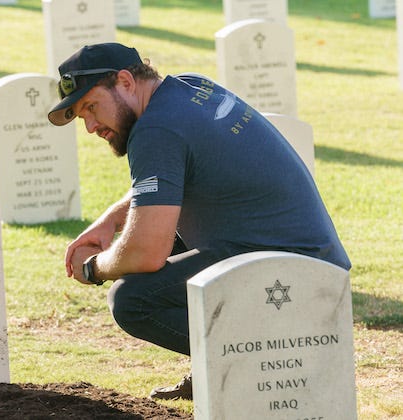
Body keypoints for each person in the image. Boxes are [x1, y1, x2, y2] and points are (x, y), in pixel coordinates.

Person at [47, 42, 351, 400]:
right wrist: (109, 222)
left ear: (126, 82)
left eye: (92, 107)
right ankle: (225, 363)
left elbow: (146, 253)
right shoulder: (188, 88)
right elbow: (171, 180)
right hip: (316, 264)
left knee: (132, 300)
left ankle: (259, 362)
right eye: (83, 116)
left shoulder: (156, 130)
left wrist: (92, 269)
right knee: (164, 234)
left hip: (294, 283)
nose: (91, 126)